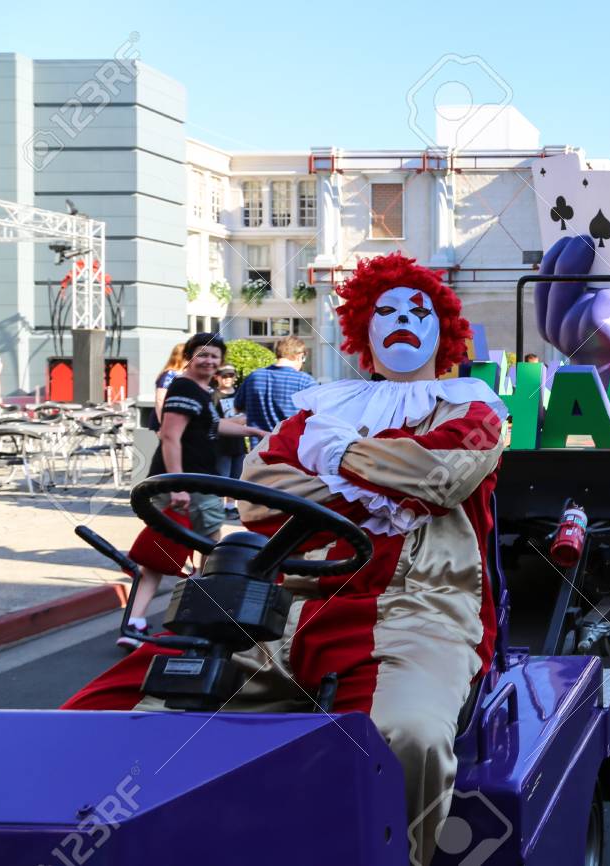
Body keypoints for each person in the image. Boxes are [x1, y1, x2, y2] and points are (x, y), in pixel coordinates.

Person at [64, 254, 507, 866]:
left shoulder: (473, 408)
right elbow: (260, 493)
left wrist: (336, 455)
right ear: (364, 333)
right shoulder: (319, 409)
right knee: (99, 711)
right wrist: (378, 478)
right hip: (283, 609)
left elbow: (436, 478)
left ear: (444, 330)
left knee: (410, 736)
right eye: (386, 311)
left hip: (418, 615)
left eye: (418, 310)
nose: (402, 320)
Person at [118, 334, 268, 649]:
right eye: (203, 355)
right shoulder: (185, 388)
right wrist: (180, 485)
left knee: (162, 553)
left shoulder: (201, 391)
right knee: (211, 554)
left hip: (193, 484)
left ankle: (137, 621)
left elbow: (212, 428)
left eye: (215, 357)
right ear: (189, 356)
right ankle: (197, 620)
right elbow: (170, 436)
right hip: (191, 487)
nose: (209, 361)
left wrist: (252, 431)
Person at [233, 335, 316, 436]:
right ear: (300, 356)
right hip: (291, 447)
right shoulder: (305, 381)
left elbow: (237, 407)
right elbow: (317, 417)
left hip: (258, 446)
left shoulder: (254, 377)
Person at [212, 364, 247, 519]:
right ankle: (217, 507)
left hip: (238, 441)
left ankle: (231, 506)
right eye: (224, 376)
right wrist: (235, 421)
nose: (228, 379)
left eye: (231, 376)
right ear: (217, 377)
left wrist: (230, 421)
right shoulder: (214, 395)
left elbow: (247, 415)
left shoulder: (239, 393)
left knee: (236, 477)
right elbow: (214, 421)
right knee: (221, 477)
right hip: (221, 443)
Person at [149, 343, 187, 430]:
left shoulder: (185, 374)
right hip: (166, 418)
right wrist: (162, 422)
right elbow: (160, 400)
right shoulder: (169, 375)